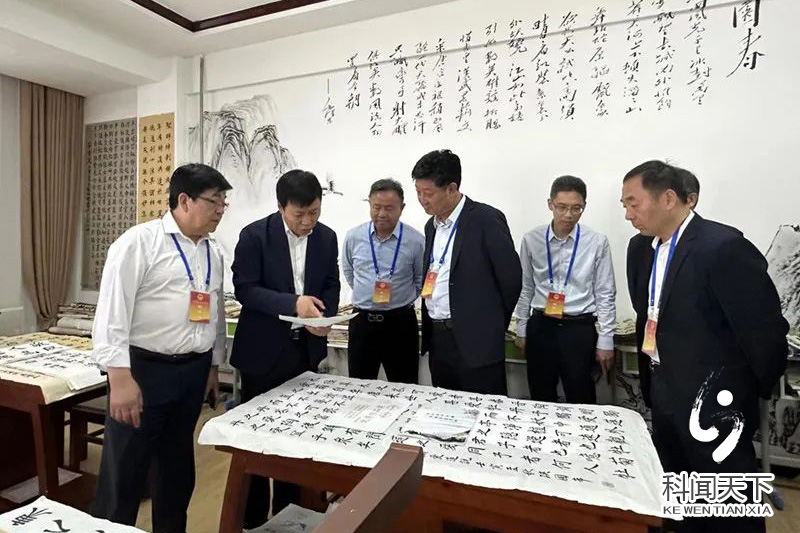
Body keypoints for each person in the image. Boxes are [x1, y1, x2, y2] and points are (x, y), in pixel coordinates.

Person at [623, 160, 788, 533]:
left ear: (668, 199)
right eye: (625, 205)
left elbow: (762, 329)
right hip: (663, 387)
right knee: (680, 491)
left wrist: (749, 389)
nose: (629, 214)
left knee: (728, 501)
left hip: (717, 399)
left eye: (634, 203)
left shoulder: (723, 246)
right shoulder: (640, 248)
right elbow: (648, 311)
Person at [91, 163, 232, 533]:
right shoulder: (139, 242)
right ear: (184, 200)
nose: (220, 210)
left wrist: (213, 367)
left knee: (176, 470)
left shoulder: (213, 251)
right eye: (214, 201)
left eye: (223, 202)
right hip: (144, 372)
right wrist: (119, 378)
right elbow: (112, 314)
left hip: (193, 372)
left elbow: (214, 313)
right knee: (125, 471)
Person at [230, 169, 340, 528]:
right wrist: (294, 304)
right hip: (262, 355)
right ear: (281, 207)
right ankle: (252, 521)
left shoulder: (327, 237)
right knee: (257, 441)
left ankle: (287, 519)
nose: (308, 222)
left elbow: (331, 284)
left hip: (303, 354)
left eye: (314, 212)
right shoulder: (254, 236)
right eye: (299, 214)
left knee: (295, 442)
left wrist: (324, 317)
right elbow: (246, 289)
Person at [413, 149, 521, 395]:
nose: (422, 200)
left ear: (452, 188)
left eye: (428, 193)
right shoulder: (431, 226)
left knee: (485, 411)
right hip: (439, 340)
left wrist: (490, 326)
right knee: (445, 408)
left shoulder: (486, 219)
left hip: (478, 344)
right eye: (418, 192)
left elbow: (511, 280)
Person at [514, 176, 616, 403]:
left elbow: (605, 293)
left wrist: (606, 339)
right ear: (550, 204)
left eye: (576, 208)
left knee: (581, 395)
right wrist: (522, 328)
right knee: (541, 395)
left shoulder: (596, 241)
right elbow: (525, 286)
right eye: (562, 207)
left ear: (584, 206)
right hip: (541, 326)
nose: (569, 215)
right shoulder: (532, 239)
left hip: (578, 328)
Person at [342, 178, 425, 383]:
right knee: (359, 387)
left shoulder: (416, 241)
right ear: (369, 204)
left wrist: (400, 299)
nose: (381, 213)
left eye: (389, 208)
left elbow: (420, 280)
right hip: (362, 323)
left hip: (400, 324)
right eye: (376, 207)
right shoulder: (353, 237)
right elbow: (349, 272)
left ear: (401, 208)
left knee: (405, 387)